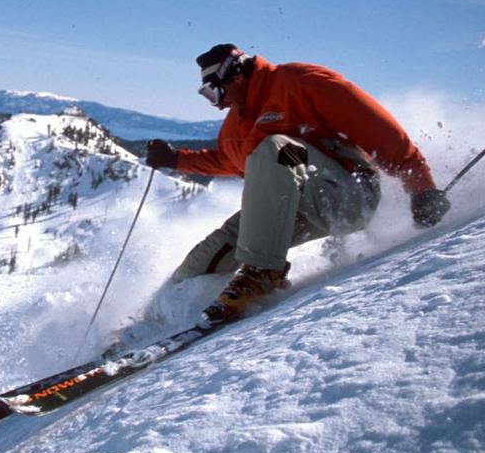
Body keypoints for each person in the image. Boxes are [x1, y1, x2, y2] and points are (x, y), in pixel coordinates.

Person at [146, 43, 451, 327]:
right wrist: (176, 160)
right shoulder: (237, 124)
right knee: (206, 256)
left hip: (348, 195)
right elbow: (228, 161)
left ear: (235, 75)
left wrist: (422, 187)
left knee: (276, 148)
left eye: (215, 92)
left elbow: (379, 130)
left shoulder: (300, 82)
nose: (217, 105)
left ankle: (262, 271)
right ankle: (157, 322)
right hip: (298, 206)